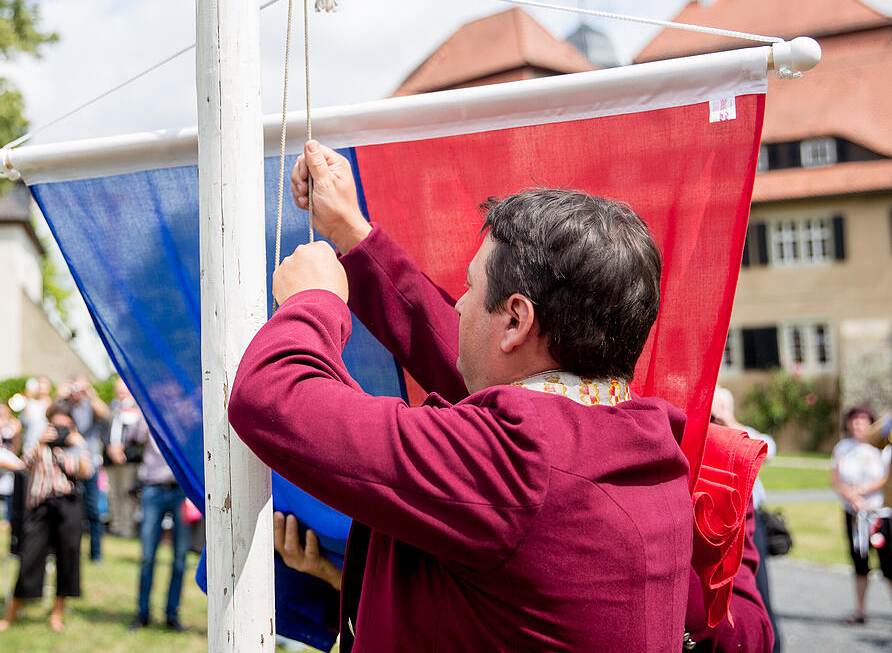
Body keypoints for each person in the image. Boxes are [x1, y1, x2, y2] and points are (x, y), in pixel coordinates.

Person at [227, 141, 693, 652]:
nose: (461, 305)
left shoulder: (518, 461)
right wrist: (351, 234)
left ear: (516, 319)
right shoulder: (625, 435)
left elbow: (273, 395)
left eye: (469, 288)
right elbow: (462, 354)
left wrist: (313, 301)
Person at [0, 400, 92, 632]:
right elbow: (23, 465)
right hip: (41, 505)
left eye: (64, 427)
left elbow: (86, 472)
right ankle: (12, 611)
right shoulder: (40, 441)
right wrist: (40, 443)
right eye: (55, 426)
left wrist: (77, 446)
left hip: (68, 504)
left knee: (68, 557)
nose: (58, 431)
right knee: (29, 556)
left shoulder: (77, 444)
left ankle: (58, 612)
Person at [710, 386, 781, 652]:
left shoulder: (740, 432)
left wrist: (728, 420)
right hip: (724, 518)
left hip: (753, 521)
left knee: (758, 583)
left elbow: (767, 448)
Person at [127, 416, 191, 632]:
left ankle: (171, 614)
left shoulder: (186, 415)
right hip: (153, 489)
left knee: (180, 557)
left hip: (182, 490)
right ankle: (142, 613)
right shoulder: (148, 413)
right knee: (147, 556)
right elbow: (131, 438)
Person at [830, 405, 892, 625]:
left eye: (863, 421)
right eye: (854, 420)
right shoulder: (842, 448)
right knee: (859, 561)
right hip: (854, 513)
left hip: (878, 513)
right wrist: (852, 496)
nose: (858, 425)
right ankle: (860, 609)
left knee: (888, 564)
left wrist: (863, 491)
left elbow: (885, 477)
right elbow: (836, 477)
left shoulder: (881, 447)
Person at [66, 374, 109, 561]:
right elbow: (50, 412)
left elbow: (105, 414)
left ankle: (95, 554)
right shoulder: (65, 404)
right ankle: (69, 550)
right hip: (69, 463)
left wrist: (89, 393)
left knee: (93, 510)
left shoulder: (90, 404)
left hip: (90, 463)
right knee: (69, 509)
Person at [103, 379, 144, 537]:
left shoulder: (135, 408)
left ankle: (127, 527)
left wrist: (122, 450)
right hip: (110, 458)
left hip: (129, 458)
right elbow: (104, 430)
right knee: (113, 494)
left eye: (124, 389)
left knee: (127, 493)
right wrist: (110, 449)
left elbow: (137, 435)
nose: (121, 393)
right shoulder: (110, 407)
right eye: (118, 390)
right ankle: (115, 526)